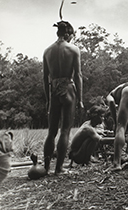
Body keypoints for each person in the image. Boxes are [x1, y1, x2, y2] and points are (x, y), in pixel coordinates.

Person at [43, 20, 84, 175]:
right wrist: (80, 99)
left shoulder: (47, 51)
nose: (72, 38)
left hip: (53, 90)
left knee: (51, 131)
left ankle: (46, 168)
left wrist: (48, 100)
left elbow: (44, 78)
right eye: (71, 35)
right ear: (67, 34)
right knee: (65, 130)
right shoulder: (73, 49)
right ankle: (59, 169)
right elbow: (78, 75)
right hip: (68, 89)